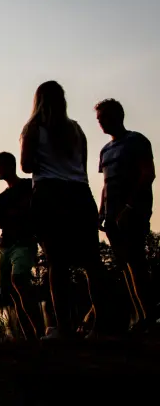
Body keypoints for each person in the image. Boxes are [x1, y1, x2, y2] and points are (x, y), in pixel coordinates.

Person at [20, 80, 114, 339]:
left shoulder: (33, 129)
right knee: (92, 263)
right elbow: (81, 166)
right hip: (80, 194)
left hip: (50, 195)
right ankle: (103, 326)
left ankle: (63, 326)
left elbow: (26, 166)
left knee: (57, 264)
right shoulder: (77, 130)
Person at [95, 98, 156, 333]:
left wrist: (129, 207)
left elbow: (148, 174)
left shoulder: (137, 141)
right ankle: (141, 317)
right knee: (126, 265)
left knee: (136, 262)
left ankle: (149, 316)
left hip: (133, 212)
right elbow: (106, 183)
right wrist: (102, 211)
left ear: (119, 116)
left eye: (105, 118)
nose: (101, 123)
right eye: (99, 120)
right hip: (111, 216)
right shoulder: (106, 150)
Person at [0, 152, 43, 340]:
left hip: (24, 242)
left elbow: (29, 211)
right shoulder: (3, 196)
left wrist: (14, 213)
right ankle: (30, 338)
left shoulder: (28, 185)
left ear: (8, 165)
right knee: (11, 292)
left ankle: (40, 332)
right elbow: (1, 223)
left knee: (19, 279)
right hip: (6, 246)